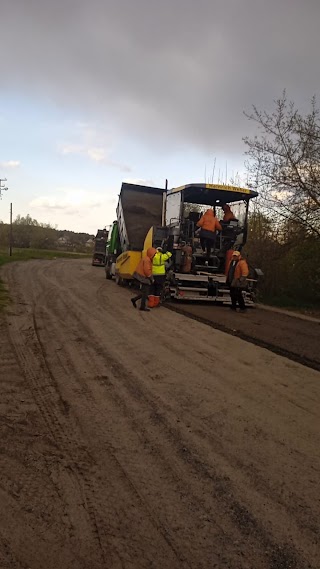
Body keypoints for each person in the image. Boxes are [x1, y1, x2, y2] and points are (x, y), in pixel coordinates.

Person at [131, 247, 157, 311]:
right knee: (146, 291)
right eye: (154, 254)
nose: (154, 256)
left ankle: (134, 299)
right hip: (143, 277)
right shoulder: (147, 260)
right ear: (151, 254)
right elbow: (147, 270)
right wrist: (151, 278)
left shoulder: (146, 259)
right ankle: (142, 306)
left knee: (144, 292)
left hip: (140, 276)